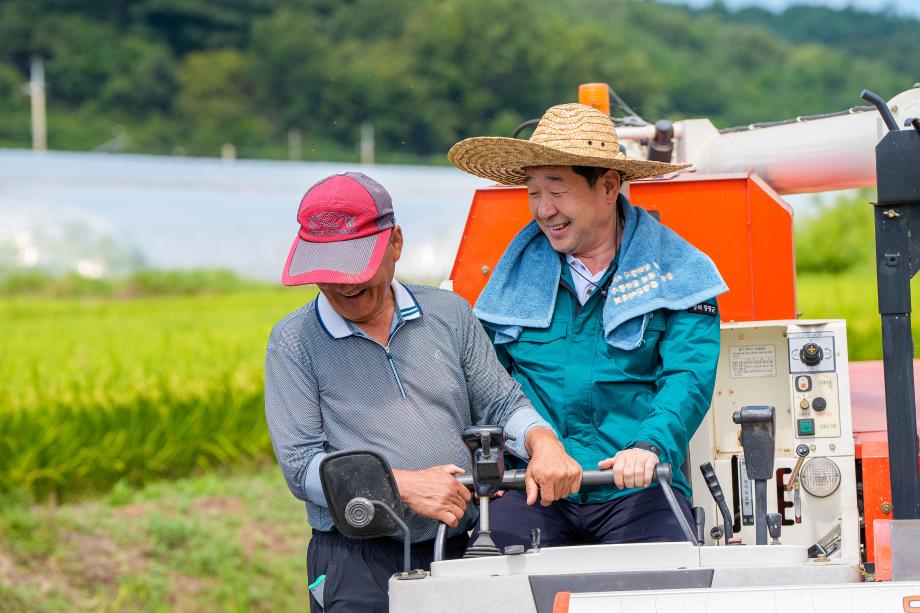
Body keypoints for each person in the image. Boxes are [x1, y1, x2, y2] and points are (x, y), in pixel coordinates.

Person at [264, 171, 581, 612]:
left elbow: (500, 401)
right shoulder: (293, 342)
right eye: (328, 270)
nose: (343, 284)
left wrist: (542, 441)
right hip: (355, 557)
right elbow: (301, 468)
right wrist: (399, 486)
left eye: (356, 265)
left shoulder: (447, 313)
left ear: (395, 242)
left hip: (462, 542)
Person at [448, 103, 728, 547]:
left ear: (609, 186)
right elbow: (480, 382)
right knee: (487, 578)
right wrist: (497, 460)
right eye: (533, 193)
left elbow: (687, 379)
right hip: (533, 485)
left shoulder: (679, 274)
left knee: (667, 580)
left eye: (556, 190)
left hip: (638, 482)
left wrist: (648, 447)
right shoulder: (509, 282)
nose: (543, 210)